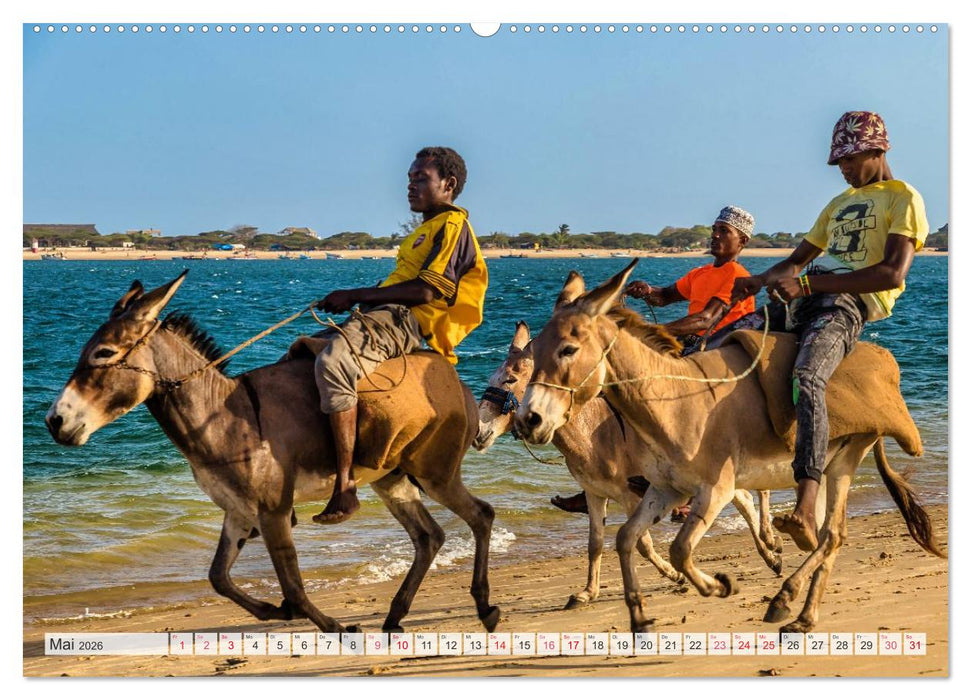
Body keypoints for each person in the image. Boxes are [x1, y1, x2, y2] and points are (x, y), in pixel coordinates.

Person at [725, 110, 929, 551]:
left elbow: (892, 274)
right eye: (839, 163)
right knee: (723, 341)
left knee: (807, 377)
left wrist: (806, 284)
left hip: (845, 302)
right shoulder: (837, 206)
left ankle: (805, 501)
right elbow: (795, 261)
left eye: (851, 160)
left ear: (878, 149)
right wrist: (760, 280)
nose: (844, 170)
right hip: (805, 294)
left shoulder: (903, 198)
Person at [310, 146, 488, 524]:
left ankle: (344, 486)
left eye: (421, 179)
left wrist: (355, 295)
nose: (410, 186)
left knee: (333, 362)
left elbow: (426, 291)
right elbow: (402, 280)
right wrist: (357, 298)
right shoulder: (426, 229)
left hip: (406, 321)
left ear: (449, 185)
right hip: (385, 313)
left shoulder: (453, 226)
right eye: (409, 179)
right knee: (303, 351)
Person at [550, 205, 757, 516]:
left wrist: (649, 334)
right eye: (715, 229)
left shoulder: (737, 274)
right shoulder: (701, 273)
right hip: (689, 345)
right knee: (621, 392)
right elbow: (665, 296)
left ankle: (686, 492)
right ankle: (603, 480)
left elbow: (704, 320)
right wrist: (647, 291)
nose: (715, 235)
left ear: (742, 241)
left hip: (717, 348)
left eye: (724, 231)